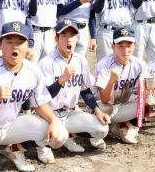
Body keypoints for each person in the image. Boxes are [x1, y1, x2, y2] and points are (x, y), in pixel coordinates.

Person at [0, 21, 68, 172]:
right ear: (1, 45)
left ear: (27, 47)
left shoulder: (33, 71)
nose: (14, 46)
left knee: (61, 134)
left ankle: (15, 150)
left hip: (10, 125)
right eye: (9, 42)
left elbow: (39, 103)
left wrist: (53, 121)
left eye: (20, 42)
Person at [95, 28, 155, 145]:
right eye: (120, 46)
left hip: (123, 105)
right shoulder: (104, 65)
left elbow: (146, 92)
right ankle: (95, 135)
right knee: (103, 118)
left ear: (134, 46)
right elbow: (104, 99)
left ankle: (125, 127)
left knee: (149, 101)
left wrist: (149, 93)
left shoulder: (139, 64)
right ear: (113, 46)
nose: (125, 50)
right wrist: (111, 81)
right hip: (104, 108)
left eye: (129, 45)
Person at [38, 19, 110, 160]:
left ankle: (69, 136)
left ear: (77, 38)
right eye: (63, 35)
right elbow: (42, 98)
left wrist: (97, 111)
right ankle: (42, 147)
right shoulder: (46, 63)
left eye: (72, 35)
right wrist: (61, 80)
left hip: (70, 113)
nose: (68, 39)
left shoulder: (80, 61)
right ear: (56, 39)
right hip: (49, 115)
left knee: (102, 129)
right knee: (59, 138)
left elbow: (85, 91)